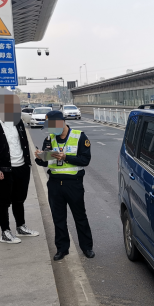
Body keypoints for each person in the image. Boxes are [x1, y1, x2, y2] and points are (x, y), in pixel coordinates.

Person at [34, 111, 94, 260]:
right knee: (58, 218)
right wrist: (39, 157)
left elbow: (85, 160)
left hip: (73, 184)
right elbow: (45, 162)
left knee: (80, 217)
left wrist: (66, 157)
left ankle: (87, 247)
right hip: (55, 184)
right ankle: (62, 249)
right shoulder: (49, 139)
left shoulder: (79, 136)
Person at [0, 89, 39, 244]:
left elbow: (23, 143)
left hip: (22, 167)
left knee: (19, 199)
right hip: (4, 169)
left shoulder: (17, 121)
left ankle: (21, 227)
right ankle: (5, 232)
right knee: (3, 201)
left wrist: (28, 163)